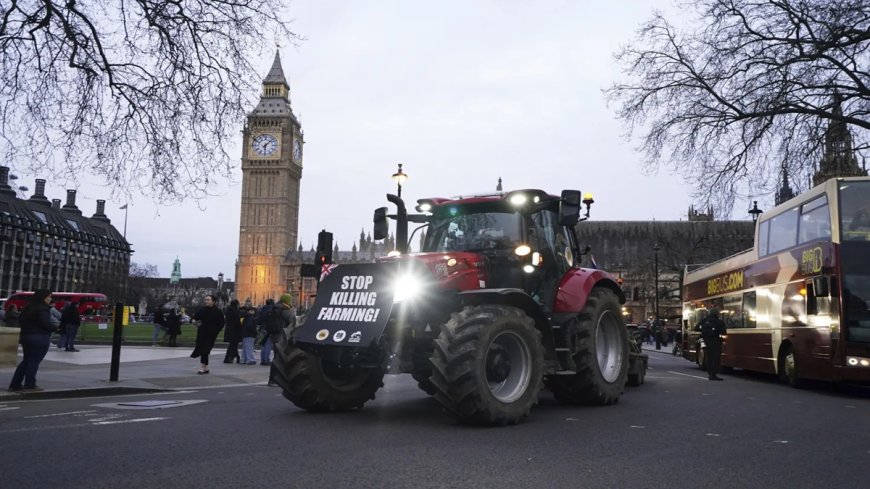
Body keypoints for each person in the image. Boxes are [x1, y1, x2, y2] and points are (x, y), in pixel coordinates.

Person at [8, 289, 55, 392]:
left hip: (26, 336)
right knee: (34, 361)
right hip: (39, 336)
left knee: (26, 360)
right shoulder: (43, 308)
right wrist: (56, 328)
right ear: (44, 297)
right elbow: (45, 323)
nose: (50, 299)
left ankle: (15, 384)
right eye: (49, 296)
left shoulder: (28, 307)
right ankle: (30, 384)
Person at [266, 294, 297, 386]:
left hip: (274, 335)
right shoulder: (285, 309)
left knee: (277, 357)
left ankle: (273, 379)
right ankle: (275, 379)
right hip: (281, 336)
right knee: (280, 359)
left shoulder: (275, 308)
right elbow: (293, 322)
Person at [190, 294, 225, 374]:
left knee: (205, 350)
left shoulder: (218, 311)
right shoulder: (202, 310)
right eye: (205, 299)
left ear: (213, 301)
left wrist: (216, 331)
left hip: (211, 335)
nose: (206, 301)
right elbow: (194, 317)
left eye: (208, 300)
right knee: (204, 351)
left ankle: (203, 367)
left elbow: (221, 323)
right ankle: (205, 368)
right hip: (202, 333)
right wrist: (193, 321)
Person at [695, 308, 727, 381]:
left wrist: (704, 330)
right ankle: (713, 374)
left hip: (704, 341)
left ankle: (709, 372)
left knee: (708, 356)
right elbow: (723, 333)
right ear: (717, 314)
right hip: (715, 341)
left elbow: (696, 328)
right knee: (715, 358)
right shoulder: (720, 322)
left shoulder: (704, 320)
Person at [222, 299, 242, 364]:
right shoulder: (235, 312)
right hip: (235, 330)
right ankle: (229, 358)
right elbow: (237, 322)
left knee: (232, 345)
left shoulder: (228, 311)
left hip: (229, 330)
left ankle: (234, 357)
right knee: (233, 345)